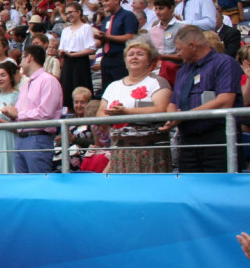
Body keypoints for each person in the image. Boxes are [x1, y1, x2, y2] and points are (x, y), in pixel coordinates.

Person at [162, 25, 242, 172]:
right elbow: (174, 101)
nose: (178, 54)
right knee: (191, 188)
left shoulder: (224, 63)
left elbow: (225, 101)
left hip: (217, 137)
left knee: (220, 186)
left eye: (180, 49)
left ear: (192, 46)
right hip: (188, 140)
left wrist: (186, 116)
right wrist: (172, 116)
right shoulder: (183, 70)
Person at [96, 40, 173, 173]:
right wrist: (113, 114)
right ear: (125, 60)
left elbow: (161, 109)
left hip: (150, 151)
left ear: (150, 60)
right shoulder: (113, 86)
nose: (134, 57)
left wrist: (126, 112)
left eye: (140, 54)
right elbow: (100, 113)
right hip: (121, 150)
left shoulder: (157, 82)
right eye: (130, 54)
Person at [0, 45, 64, 174]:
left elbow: (46, 113)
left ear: (29, 58)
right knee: (23, 184)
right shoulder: (26, 84)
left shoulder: (48, 80)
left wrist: (18, 113)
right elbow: (20, 113)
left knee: (39, 183)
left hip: (38, 137)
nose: (20, 62)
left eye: (22, 58)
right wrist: (12, 113)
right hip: (21, 138)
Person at [93, 0, 139, 95]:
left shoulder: (128, 16)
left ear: (116, 0)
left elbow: (130, 37)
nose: (104, 4)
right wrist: (98, 41)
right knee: (108, 91)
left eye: (106, 1)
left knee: (123, 90)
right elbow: (105, 39)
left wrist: (107, 37)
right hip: (107, 59)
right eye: (102, 1)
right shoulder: (106, 20)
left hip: (121, 58)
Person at [59, 3, 96, 111]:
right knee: (67, 92)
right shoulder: (65, 30)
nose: (69, 15)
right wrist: (62, 53)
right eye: (66, 13)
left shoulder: (86, 27)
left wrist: (73, 54)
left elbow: (91, 49)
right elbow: (62, 48)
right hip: (68, 62)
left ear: (79, 12)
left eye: (71, 12)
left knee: (81, 89)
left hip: (80, 62)